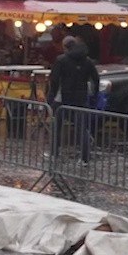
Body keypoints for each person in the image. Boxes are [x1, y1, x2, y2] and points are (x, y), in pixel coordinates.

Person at [46, 35, 99, 163]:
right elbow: (95, 79)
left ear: (65, 47)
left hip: (62, 98)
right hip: (81, 98)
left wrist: (51, 96)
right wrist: (94, 95)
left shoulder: (61, 60)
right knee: (82, 129)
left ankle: (54, 153)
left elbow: (54, 80)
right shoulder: (87, 61)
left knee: (56, 126)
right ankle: (84, 158)